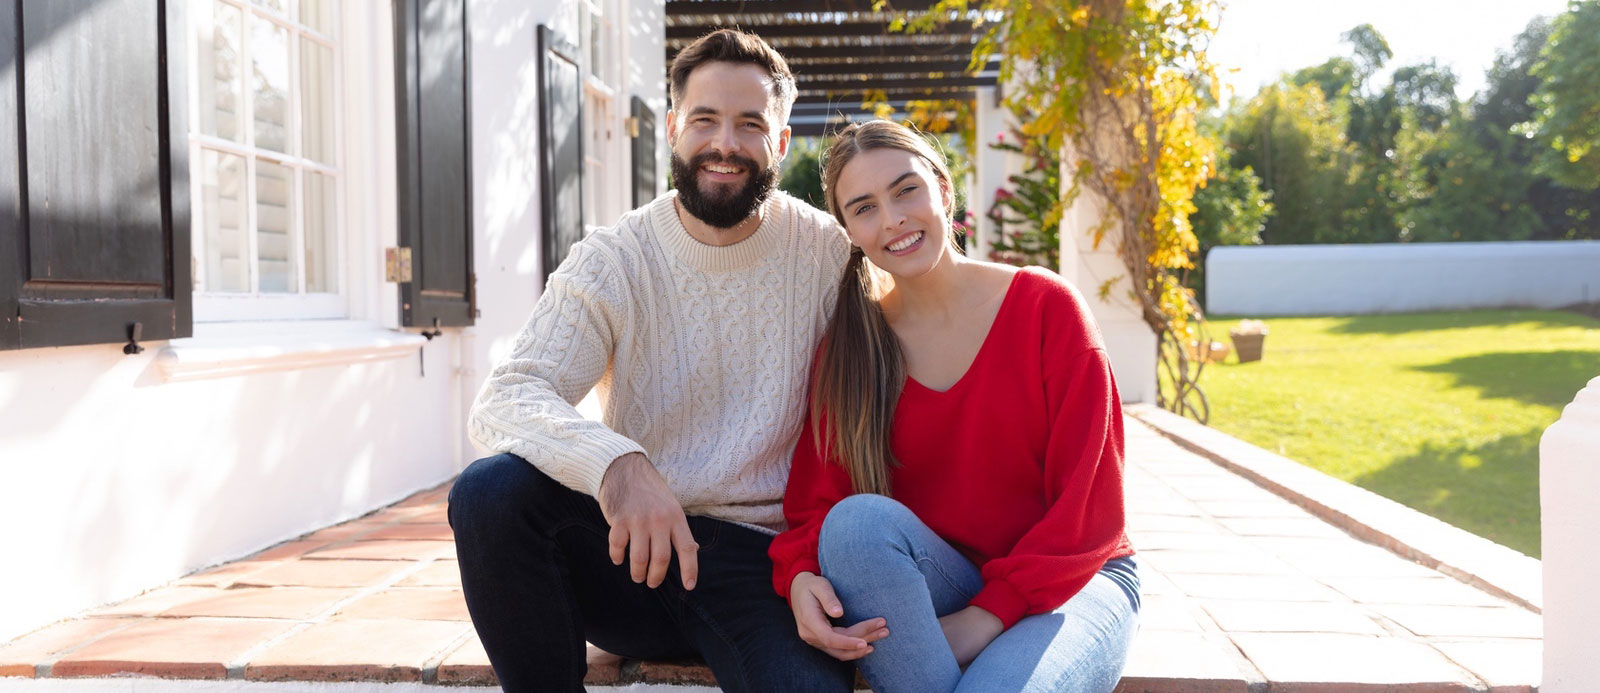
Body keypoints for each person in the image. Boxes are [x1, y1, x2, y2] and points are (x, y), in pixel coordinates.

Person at [449, 29, 871, 693]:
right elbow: (508, 395)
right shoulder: (615, 257)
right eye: (704, 119)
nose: (724, 144)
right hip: (634, 559)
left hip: (771, 571)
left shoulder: (828, 255)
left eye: (750, 124)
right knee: (490, 491)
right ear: (674, 128)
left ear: (781, 142)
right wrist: (616, 462)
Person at [768, 120, 1141, 693]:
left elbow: (1088, 509)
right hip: (947, 580)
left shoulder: (1046, 309)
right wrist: (796, 578)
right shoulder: (851, 350)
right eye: (864, 207)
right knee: (856, 525)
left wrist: (983, 619)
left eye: (905, 190)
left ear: (943, 189)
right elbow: (816, 504)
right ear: (849, 230)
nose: (892, 218)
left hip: (1075, 578)